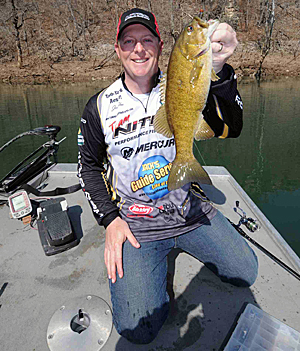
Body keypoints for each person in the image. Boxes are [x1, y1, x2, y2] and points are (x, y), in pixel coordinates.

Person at [77, 8, 258, 344]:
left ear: (160, 46)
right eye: (128, 41)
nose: (139, 48)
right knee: (138, 329)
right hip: (137, 225)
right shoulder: (100, 106)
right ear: (117, 49)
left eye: (147, 40)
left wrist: (220, 68)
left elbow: (232, 126)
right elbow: (87, 167)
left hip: (189, 210)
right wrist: (109, 219)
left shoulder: (183, 78)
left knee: (246, 272)